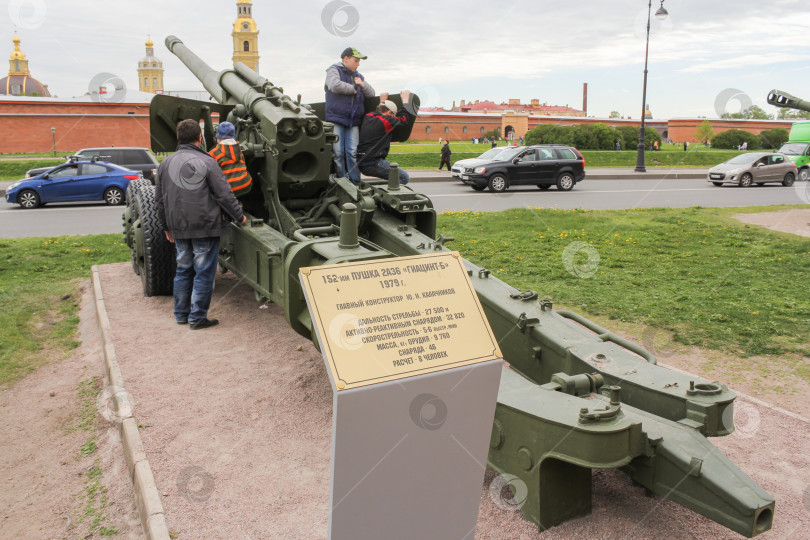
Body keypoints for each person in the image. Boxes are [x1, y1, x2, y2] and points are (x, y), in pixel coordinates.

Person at [155, 119, 246, 330]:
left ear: (178, 138)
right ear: (200, 138)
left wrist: (165, 226)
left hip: (178, 226)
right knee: (204, 272)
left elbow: (159, 200)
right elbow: (223, 194)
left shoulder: (166, 164)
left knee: (183, 269)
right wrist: (239, 216)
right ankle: (197, 318)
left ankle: (181, 314)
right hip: (205, 226)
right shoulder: (207, 162)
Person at [324, 47, 376, 184]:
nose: (358, 64)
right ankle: (343, 181)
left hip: (353, 121)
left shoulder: (358, 76)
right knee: (338, 153)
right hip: (337, 119)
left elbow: (371, 94)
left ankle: (355, 182)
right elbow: (334, 85)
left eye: (359, 61)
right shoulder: (334, 70)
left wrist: (362, 84)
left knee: (352, 152)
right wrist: (353, 89)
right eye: (356, 60)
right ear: (346, 59)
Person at [356, 90, 413, 184]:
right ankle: (387, 196)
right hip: (373, 163)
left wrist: (382, 102)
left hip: (361, 162)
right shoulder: (386, 121)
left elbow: (378, 113)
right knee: (404, 178)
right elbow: (404, 120)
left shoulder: (368, 116)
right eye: (393, 115)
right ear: (389, 112)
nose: (393, 117)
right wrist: (405, 100)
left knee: (393, 179)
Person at [208, 121, 252, 196]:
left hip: (229, 190)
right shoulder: (239, 150)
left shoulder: (213, 153)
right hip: (246, 185)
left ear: (219, 137)